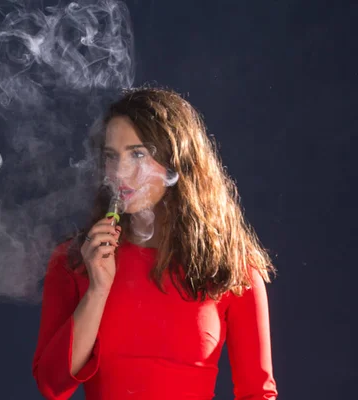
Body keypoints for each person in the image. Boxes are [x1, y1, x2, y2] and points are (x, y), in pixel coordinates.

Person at [31, 87, 278, 399]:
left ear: (176, 162)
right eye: (111, 157)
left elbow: (258, 393)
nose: (120, 172)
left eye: (138, 154)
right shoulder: (77, 259)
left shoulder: (231, 266)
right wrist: (97, 290)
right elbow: (52, 385)